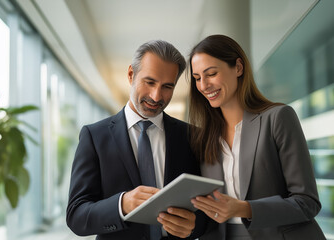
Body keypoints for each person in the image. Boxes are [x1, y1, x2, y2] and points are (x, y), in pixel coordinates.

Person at [66, 40, 209, 240]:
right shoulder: (94, 136)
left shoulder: (192, 136)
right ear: (131, 75)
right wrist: (122, 204)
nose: (156, 96)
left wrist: (194, 225)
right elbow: (76, 216)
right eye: (149, 82)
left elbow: (208, 208)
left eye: (167, 86)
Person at [187, 34, 325, 240]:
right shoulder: (203, 137)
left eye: (211, 73)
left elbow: (307, 202)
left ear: (239, 68)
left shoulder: (278, 118)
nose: (204, 85)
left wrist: (244, 209)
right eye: (197, 78)